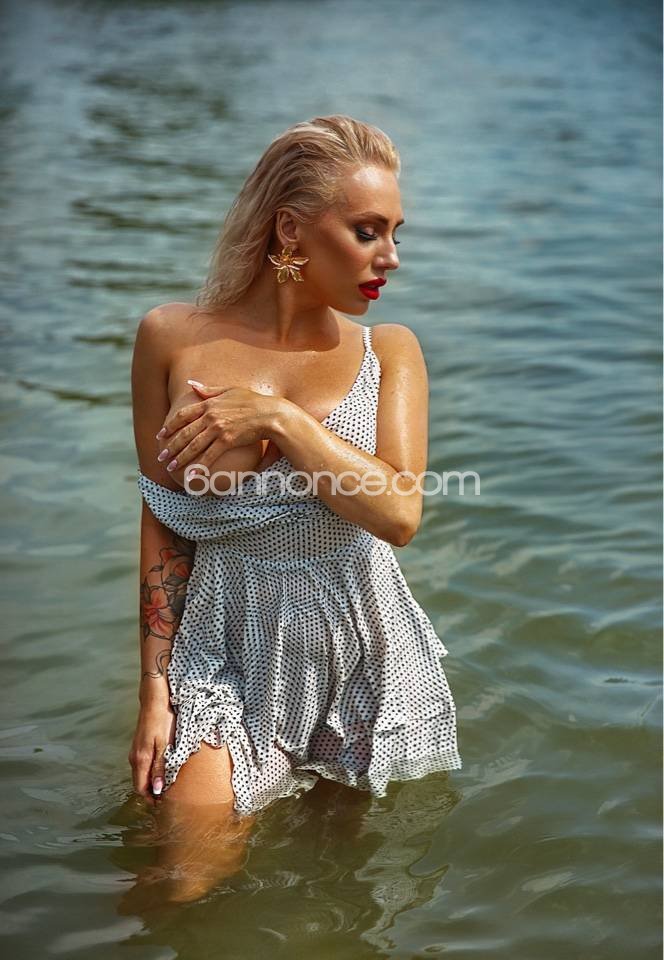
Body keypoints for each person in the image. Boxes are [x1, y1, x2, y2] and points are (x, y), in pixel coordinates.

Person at [128, 115, 462, 904]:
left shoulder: (390, 352)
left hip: (361, 651)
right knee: (181, 883)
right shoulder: (170, 339)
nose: (390, 256)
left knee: (334, 893)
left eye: (396, 234)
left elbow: (399, 514)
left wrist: (279, 419)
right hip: (224, 646)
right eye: (367, 231)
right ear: (290, 229)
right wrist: (153, 691)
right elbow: (164, 517)